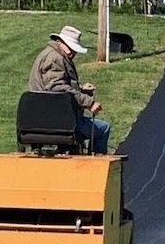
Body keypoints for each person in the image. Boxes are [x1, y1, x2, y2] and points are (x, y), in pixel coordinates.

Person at [28, 25, 110, 154]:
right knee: (103, 128)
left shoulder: (52, 54)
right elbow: (58, 89)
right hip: (58, 119)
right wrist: (89, 102)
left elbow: (54, 84)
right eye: (71, 48)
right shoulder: (55, 58)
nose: (73, 52)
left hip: (44, 116)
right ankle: (94, 166)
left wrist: (80, 88)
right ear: (61, 42)